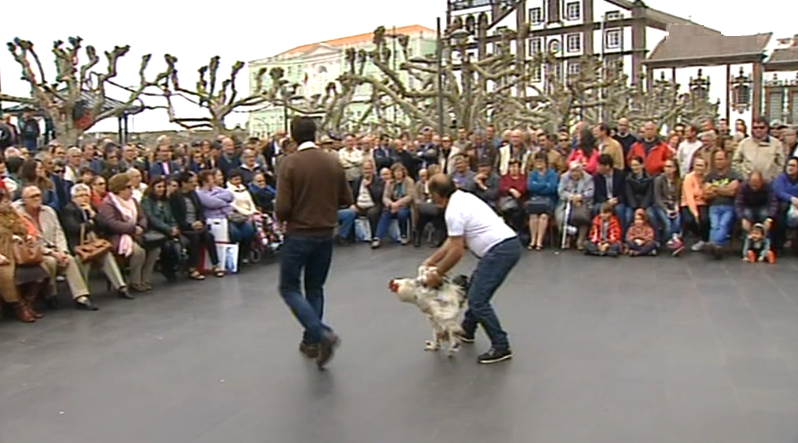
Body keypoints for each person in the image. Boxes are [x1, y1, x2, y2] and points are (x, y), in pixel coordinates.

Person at [275, 117, 353, 369]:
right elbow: (345, 198)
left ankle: (321, 333)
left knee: (289, 287)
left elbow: (283, 206)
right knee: (315, 287)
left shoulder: (291, 163)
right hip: (326, 232)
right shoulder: (332, 161)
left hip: (299, 232)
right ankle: (311, 341)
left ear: (293, 135)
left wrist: (283, 217)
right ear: (315, 133)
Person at [421, 173, 520, 364]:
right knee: (476, 287)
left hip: (500, 250)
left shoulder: (453, 211)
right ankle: (467, 330)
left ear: (436, 194)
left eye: (431, 194)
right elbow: (452, 240)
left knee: (478, 300)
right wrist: (431, 261)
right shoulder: (463, 197)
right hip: (504, 246)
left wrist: (438, 273)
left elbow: (457, 251)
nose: (430, 199)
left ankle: (501, 346)